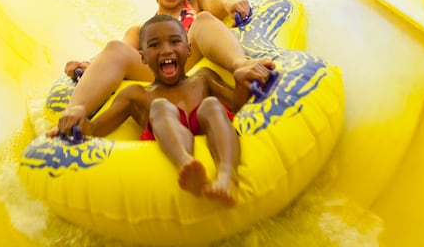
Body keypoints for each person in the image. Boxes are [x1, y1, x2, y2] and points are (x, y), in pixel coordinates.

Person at [48, 15, 271, 205]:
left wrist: (241, 83)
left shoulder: (203, 79)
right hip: (165, 134)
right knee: (161, 107)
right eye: (154, 45)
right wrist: (80, 119)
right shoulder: (137, 94)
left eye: (175, 42)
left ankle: (226, 177)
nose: (166, 50)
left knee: (212, 106)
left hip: (206, 125)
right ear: (142, 57)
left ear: (189, 49)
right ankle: (186, 164)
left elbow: (237, 107)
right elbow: (95, 129)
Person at [56, 0, 275, 135]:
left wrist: (231, 5)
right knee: (115, 47)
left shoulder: (198, 5)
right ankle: (74, 113)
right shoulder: (141, 32)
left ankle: (241, 65)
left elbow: (217, 1)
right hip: (160, 73)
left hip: (193, 60)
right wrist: (89, 64)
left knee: (203, 21)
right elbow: (117, 52)